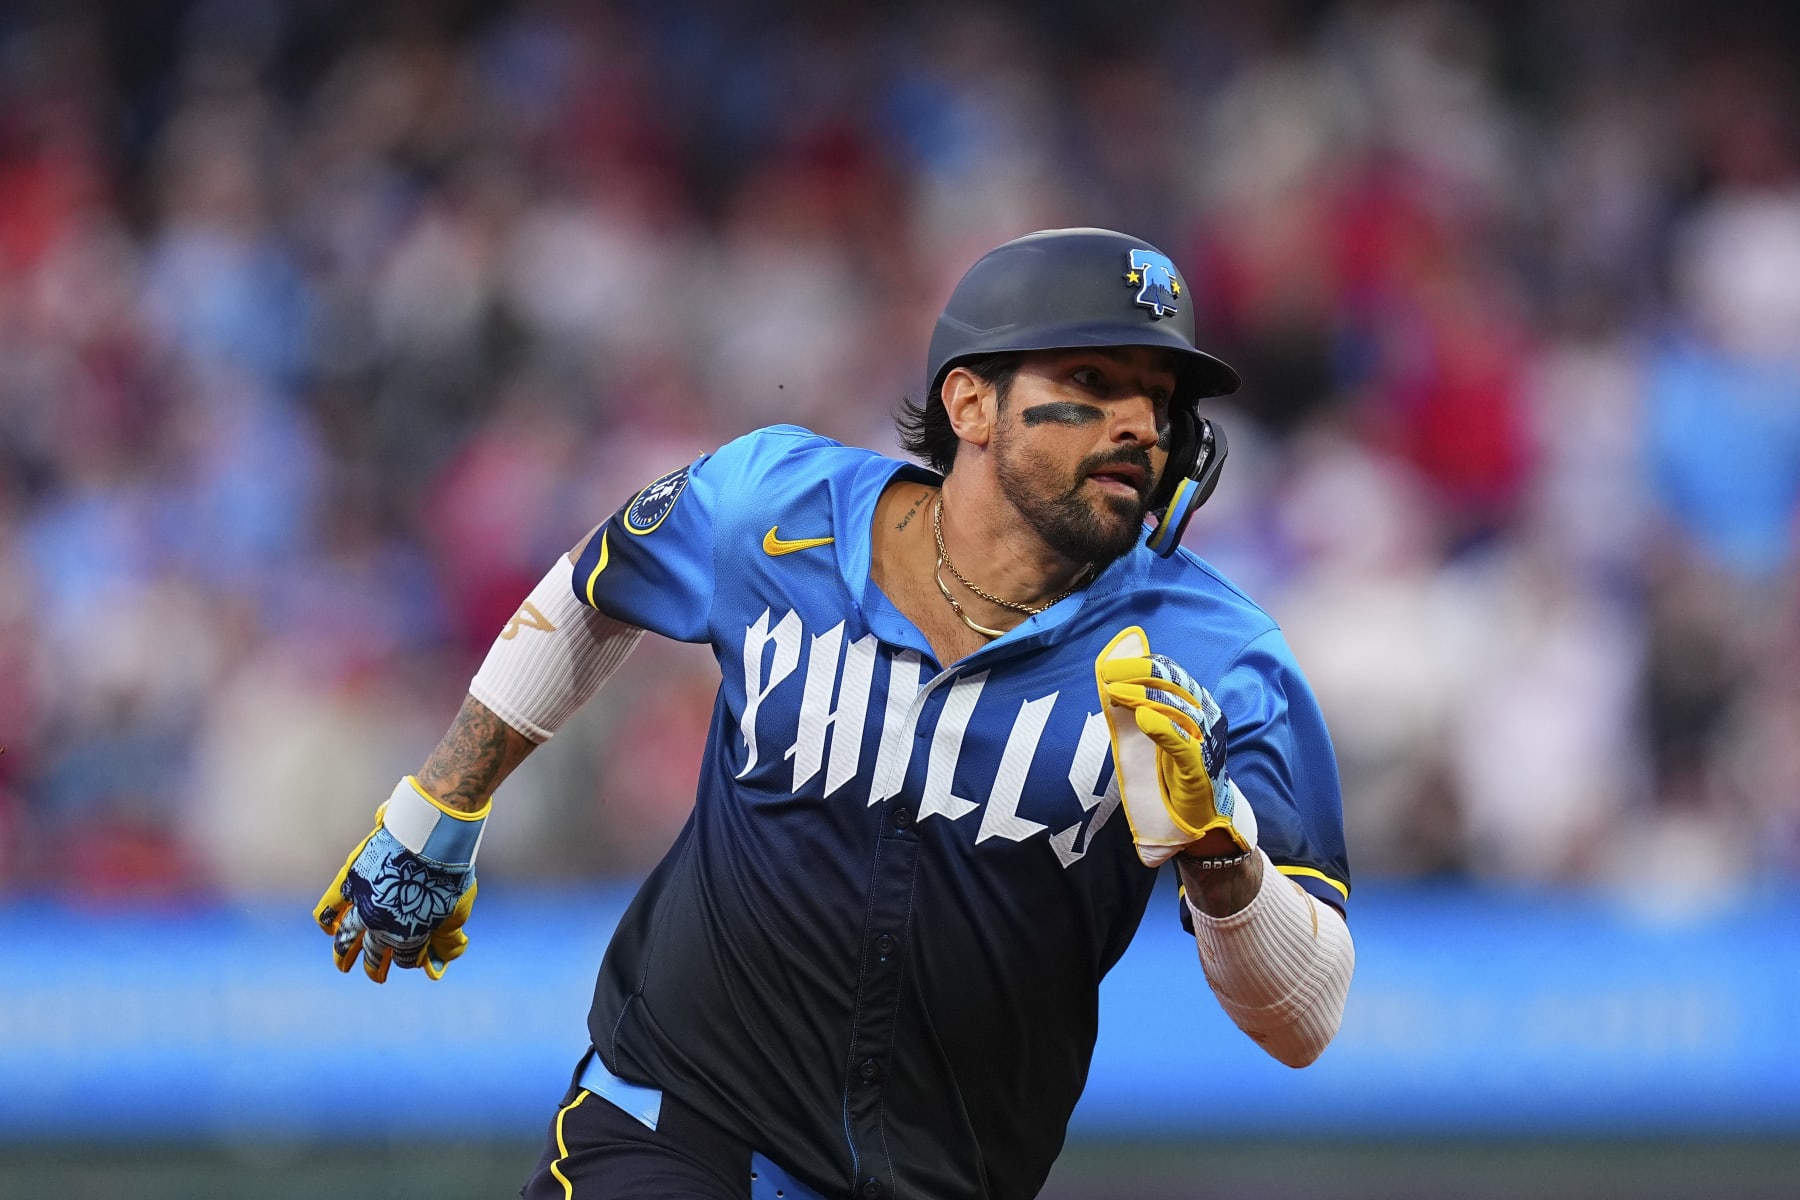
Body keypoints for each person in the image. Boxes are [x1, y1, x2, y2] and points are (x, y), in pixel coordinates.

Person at [314, 227, 1355, 1200]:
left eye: (1159, 400)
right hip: (674, 1124)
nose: (1140, 424)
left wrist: (1224, 864)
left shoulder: (1222, 659)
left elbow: (1308, 1020)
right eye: (1091, 383)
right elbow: (593, 589)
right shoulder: (774, 506)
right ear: (971, 404)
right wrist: (442, 803)